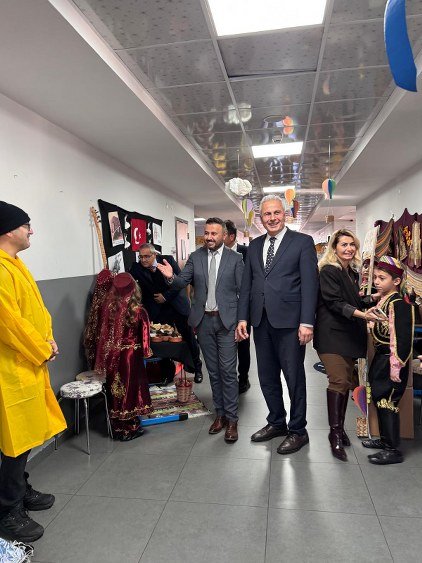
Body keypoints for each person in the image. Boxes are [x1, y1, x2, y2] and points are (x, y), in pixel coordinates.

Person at [0, 201, 67, 543]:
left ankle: (19, 490)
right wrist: (42, 348)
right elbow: (10, 324)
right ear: (9, 230)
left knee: (24, 437)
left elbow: (35, 313)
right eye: (26, 225)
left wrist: (48, 340)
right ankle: (7, 511)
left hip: (29, 363)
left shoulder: (15, 264)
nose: (31, 231)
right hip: (10, 370)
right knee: (14, 439)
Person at [236, 195, 319, 454]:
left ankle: (298, 430)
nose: (272, 218)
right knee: (266, 376)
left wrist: (307, 322)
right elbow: (247, 285)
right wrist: (243, 318)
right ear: (260, 218)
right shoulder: (254, 245)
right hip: (261, 321)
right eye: (267, 214)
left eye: (276, 213)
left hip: (291, 323)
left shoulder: (302, 242)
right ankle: (276, 421)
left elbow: (310, 285)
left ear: (285, 214)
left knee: (294, 377)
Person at [157, 218, 244, 443]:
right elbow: (181, 282)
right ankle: (220, 415)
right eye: (206, 233)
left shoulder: (235, 259)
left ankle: (232, 419)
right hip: (203, 322)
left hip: (227, 323)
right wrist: (171, 277)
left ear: (223, 235)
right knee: (213, 371)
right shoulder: (196, 257)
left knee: (227, 371)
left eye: (214, 233)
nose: (209, 237)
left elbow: (243, 292)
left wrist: (242, 321)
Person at [313, 229, 382, 461]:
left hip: (348, 336)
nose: (349, 248)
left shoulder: (350, 271)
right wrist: (364, 315)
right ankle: (334, 434)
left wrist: (370, 299)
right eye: (344, 244)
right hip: (331, 335)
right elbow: (334, 302)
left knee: (344, 383)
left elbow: (352, 300)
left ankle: (340, 429)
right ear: (334, 247)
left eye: (352, 244)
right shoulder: (328, 270)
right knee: (339, 381)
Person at [363, 256, 414, 465]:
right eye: (375, 277)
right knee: (379, 399)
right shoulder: (385, 300)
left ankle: (392, 449)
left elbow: (402, 340)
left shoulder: (399, 304)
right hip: (381, 359)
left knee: (388, 402)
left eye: (382, 278)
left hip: (391, 362)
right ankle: (385, 440)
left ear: (396, 281)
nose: (376, 281)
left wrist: (397, 366)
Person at [130, 244, 203, 383]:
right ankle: (166, 373)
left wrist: (165, 296)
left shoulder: (167, 260)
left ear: (154, 255)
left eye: (147, 256)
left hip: (177, 305)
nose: (143, 260)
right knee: (161, 342)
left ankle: (197, 368)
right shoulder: (136, 268)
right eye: (141, 257)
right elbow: (130, 282)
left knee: (188, 337)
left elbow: (180, 283)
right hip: (157, 310)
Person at [94, 272, 153, 441]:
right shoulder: (139, 311)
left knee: (116, 388)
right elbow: (145, 337)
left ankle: (117, 427)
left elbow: (104, 334)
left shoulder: (109, 309)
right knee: (130, 389)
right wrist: (146, 352)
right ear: (134, 288)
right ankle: (130, 428)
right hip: (130, 356)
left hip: (113, 355)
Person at [224, 220, 250, 393]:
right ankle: (228, 379)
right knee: (226, 344)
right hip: (224, 308)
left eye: (223, 234)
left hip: (243, 307)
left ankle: (244, 378)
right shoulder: (216, 254)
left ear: (231, 236)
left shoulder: (246, 252)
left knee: (243, 345)